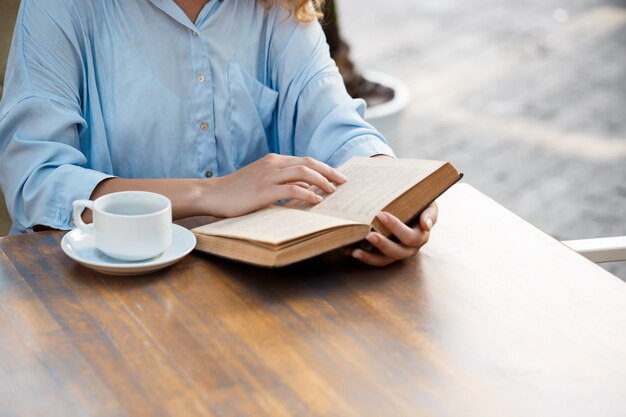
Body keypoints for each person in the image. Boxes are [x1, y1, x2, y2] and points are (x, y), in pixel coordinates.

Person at [0, 0, 437, 267]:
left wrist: (395, 196)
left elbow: (337, 125)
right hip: (93, 301)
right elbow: (36, 180)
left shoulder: (278, 5)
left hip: (247, 292)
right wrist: (208, 194)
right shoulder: (61, 6)